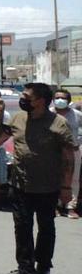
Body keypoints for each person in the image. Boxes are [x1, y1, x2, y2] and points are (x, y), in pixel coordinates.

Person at [0, 82, 76, 274]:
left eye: (26, 96)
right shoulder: (18, 118)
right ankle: (25, 270)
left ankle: (43, 268)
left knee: (46, 227)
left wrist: (67, 188)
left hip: (48, 187)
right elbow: (1, 136)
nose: (22, 100)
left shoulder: (58, 123)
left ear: (40, 101)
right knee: (22, 227)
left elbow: (69, 156)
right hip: (20, 184)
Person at [52, 89, 81, 218]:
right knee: (53, 178)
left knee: (73, 180)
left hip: (73, 151)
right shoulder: (48, 114)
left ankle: (70, 207)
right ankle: (55, 205)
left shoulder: (77, 115)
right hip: (53, 152)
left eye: (63, 98)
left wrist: (78, 142)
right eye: (57, 97)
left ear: (68, 101)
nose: (59, 100)